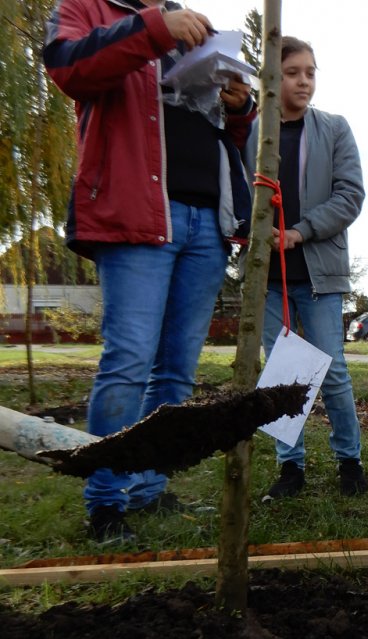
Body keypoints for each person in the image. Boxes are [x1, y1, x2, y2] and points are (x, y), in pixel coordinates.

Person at [44, 0, 256, 544]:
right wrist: (155, 28)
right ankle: (106, 501)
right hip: (134, 215)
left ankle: (148, 486)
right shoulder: (86, 8)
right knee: (128, 362)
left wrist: (238, 109)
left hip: (207, 220)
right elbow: (67, 67)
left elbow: (222, 134)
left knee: (176, 370)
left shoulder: (194, 25)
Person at [254, 37, 367, 500]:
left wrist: (299, 232)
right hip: (269, 278)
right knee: (280, 375)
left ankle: (349, 461)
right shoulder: (254, 133)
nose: (304, 81)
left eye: (311, 72)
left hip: (319, 274)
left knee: (333, 371)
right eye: (293, 73)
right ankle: (290, 467)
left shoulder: (334, 129)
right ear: (272, 78)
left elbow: (350, 196)